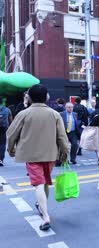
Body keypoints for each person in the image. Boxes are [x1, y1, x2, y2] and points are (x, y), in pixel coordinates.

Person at [7, 84, 69, 231]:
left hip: (32, 155)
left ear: (29, 97)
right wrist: (65, 154)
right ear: (46, 97)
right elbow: (62, 137)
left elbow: (11, 134)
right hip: (50, 154)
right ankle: (42, 205)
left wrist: (11, 150)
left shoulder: (24, 114)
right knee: (45, 182)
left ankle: (45, 215)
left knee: (39, 183)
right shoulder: (54, 114)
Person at [0, 102, 13, 167]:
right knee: (2, 143)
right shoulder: (7, 109)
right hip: (3, 128)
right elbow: (10, 119)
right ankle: (1, 159)